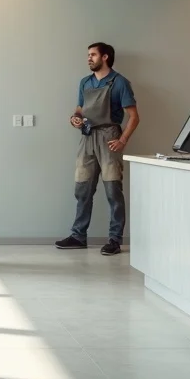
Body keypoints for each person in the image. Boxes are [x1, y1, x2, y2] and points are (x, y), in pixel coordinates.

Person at [55, 42, 139, 256]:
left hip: (109, 138)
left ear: (105, 57)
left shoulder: (119, 82)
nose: (89, 58)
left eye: (93, 55)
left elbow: (134, 117)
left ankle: (114, 240)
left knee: (113, 191)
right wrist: (75, 118)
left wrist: (122, 140)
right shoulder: (85, 82)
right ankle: (78, 236)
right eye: (88, 55)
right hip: (87, 137)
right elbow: (79, 109)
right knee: (82, 190)